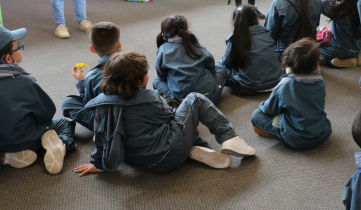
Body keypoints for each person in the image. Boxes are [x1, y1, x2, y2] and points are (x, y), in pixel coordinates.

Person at [75, 52, 255, 176]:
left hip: (137, 158)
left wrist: (98, 164)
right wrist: (191, 124)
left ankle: (192, 149)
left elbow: (100, 137)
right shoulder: (150, 98)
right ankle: (230, 138)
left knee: (151, 128)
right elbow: (171, 116)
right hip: (168, 152)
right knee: (195, 99)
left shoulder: (101, 104)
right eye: (146, 74)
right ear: (139, 82)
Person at [0, 26, 76, 174]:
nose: (20, 50)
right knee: (65, 123)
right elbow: (47, 112)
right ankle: (61, 145)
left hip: (2, 141)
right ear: (8, 58)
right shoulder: (24, 82)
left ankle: (9, 156)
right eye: (18, 47)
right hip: (26, 139)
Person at [251, 38, 332, 150]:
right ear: (316, 64)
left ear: (289, 63)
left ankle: (279, 131)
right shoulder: (320, 81)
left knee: (256, 115)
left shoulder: (285, 85)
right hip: (322, 134)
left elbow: (268, 109)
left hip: (295, 139)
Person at [153, 15, 226, 107]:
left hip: (182, 101)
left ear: (164, 34)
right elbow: (211, 69)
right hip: (209, 97)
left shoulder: (162, 50)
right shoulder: (198, 47)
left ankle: (174, 102)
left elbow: (162, 76)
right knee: (220, 67)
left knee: (157, 80)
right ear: (186, 31)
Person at [62, 22, 121, 130]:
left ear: (92, 49)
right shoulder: (133, 64)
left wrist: (81, 82)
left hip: (109, 124)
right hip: (132, 115)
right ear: (119, 46)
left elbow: (89, 103)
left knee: (68, 102)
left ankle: (101, 130)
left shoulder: (93, 76)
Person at [221, 5, 283, 95]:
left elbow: (226, 64)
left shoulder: (235, 40)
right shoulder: (267, 35)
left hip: (247, 88)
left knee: (219, 68)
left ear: (234, 23)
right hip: (276, 83)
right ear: (257, 20)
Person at [318, 0, 361, 68]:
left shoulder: (338, 10)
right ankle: (358, 53)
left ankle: (345, 60)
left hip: (341, 49)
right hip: (358, 45)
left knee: (311, 55)